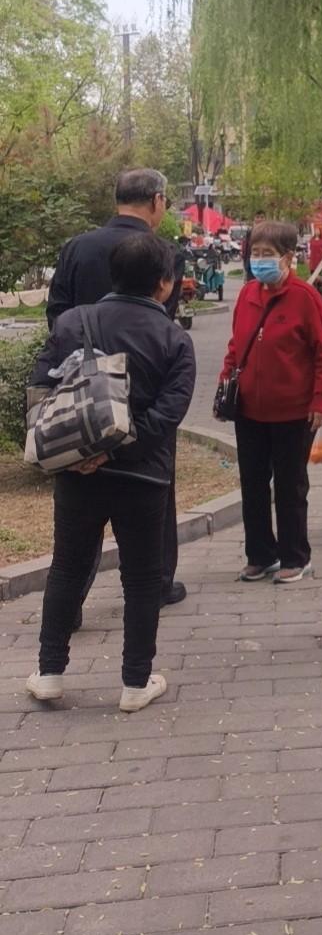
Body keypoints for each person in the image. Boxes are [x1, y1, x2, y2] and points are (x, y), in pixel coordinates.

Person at [26, 232, 196, 712]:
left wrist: (80, 450)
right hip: (144, 477)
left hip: (77, 473)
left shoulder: (72, 322)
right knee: (141, 578)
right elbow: (167, 415)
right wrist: (118, 450)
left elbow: (39, 389)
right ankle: (135, 683)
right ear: (164, 283)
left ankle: (50, 672)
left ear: (113, 274)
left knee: (67, 567)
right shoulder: (174, 338)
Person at [46, 167, 188, 609]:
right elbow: (162, 322)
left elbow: (57, 312)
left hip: (81, 390)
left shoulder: (77, 247)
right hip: (143, 393)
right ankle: (157, 581)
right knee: (153, 490)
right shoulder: (164, 253)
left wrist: (83, 359)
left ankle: (70, 601)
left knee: (80, 502)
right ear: (157, 201)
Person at [220, 221, 322, 584]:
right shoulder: (247, 295)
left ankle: (295, 556)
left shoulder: (305, 298)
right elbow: (236, 345)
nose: (259, 260)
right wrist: (226, 381)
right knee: (253, 484)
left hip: (293, 411)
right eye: (255, 253)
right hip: (249, 410)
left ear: (288, 257)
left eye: (267, 254)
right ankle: (260, 554)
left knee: (290, 487)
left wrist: (320, 398)